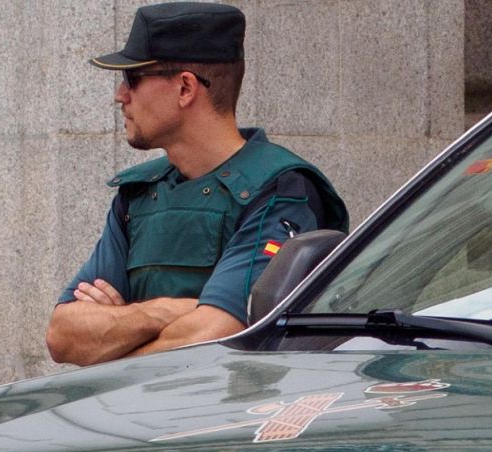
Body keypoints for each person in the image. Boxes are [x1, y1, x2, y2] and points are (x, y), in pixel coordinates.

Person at [47, 1, 349, 366]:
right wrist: (161, 311)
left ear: (185, 88)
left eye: (133, 79)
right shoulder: (140, 192)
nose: (120, 96)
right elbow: (62, 335)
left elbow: (216, 335)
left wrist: (115, 340)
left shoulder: (279, 189)